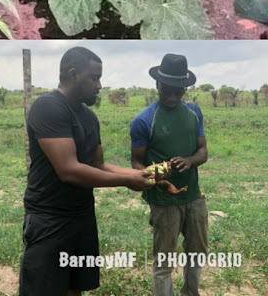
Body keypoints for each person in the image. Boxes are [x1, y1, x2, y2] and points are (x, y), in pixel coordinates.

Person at [19, 46, 152, 296]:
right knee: (44, 289)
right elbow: (68, 170)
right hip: (49, 219)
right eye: (94, 77)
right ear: (72, 75)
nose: (99, 85)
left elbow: (98, 165)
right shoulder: (48, 107)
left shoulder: (89, 117)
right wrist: (125, 180)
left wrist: (139, 174)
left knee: (75, 287)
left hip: (81, 216)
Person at [130, 53, 208, 296]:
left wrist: (190, 161)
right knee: (164, 260)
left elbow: (203, 151)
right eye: (167, 91)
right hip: (164, 202)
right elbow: (136, 162)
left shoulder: (194, 112)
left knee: (197, 253)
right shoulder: (144, 121)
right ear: (157, 85)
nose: (173, 97)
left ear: (185, 89)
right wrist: (157, 180)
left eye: (179, 91)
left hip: (193, 197)